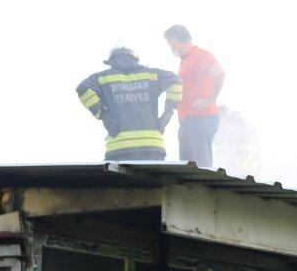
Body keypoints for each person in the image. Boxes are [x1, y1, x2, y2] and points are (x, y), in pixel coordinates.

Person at [76, 46, 182, 161]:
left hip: (118, 147)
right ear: (135, 59)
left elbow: (83, 88)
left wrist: (102, 115)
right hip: (152, 146)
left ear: (111, 61)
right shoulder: (152, 75)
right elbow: (175, 81)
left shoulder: (102, 78)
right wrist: (167, 113)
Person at [163, 24, 226, 168]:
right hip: (187, 120)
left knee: (202, 167)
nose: (170, 47)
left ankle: (205, 190)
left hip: (200, 118)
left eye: (169, 43)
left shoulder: (200, 55)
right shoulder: (186, 60)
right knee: (187, 167)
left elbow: (220, 72)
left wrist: (210, 99)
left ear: (175, 41)